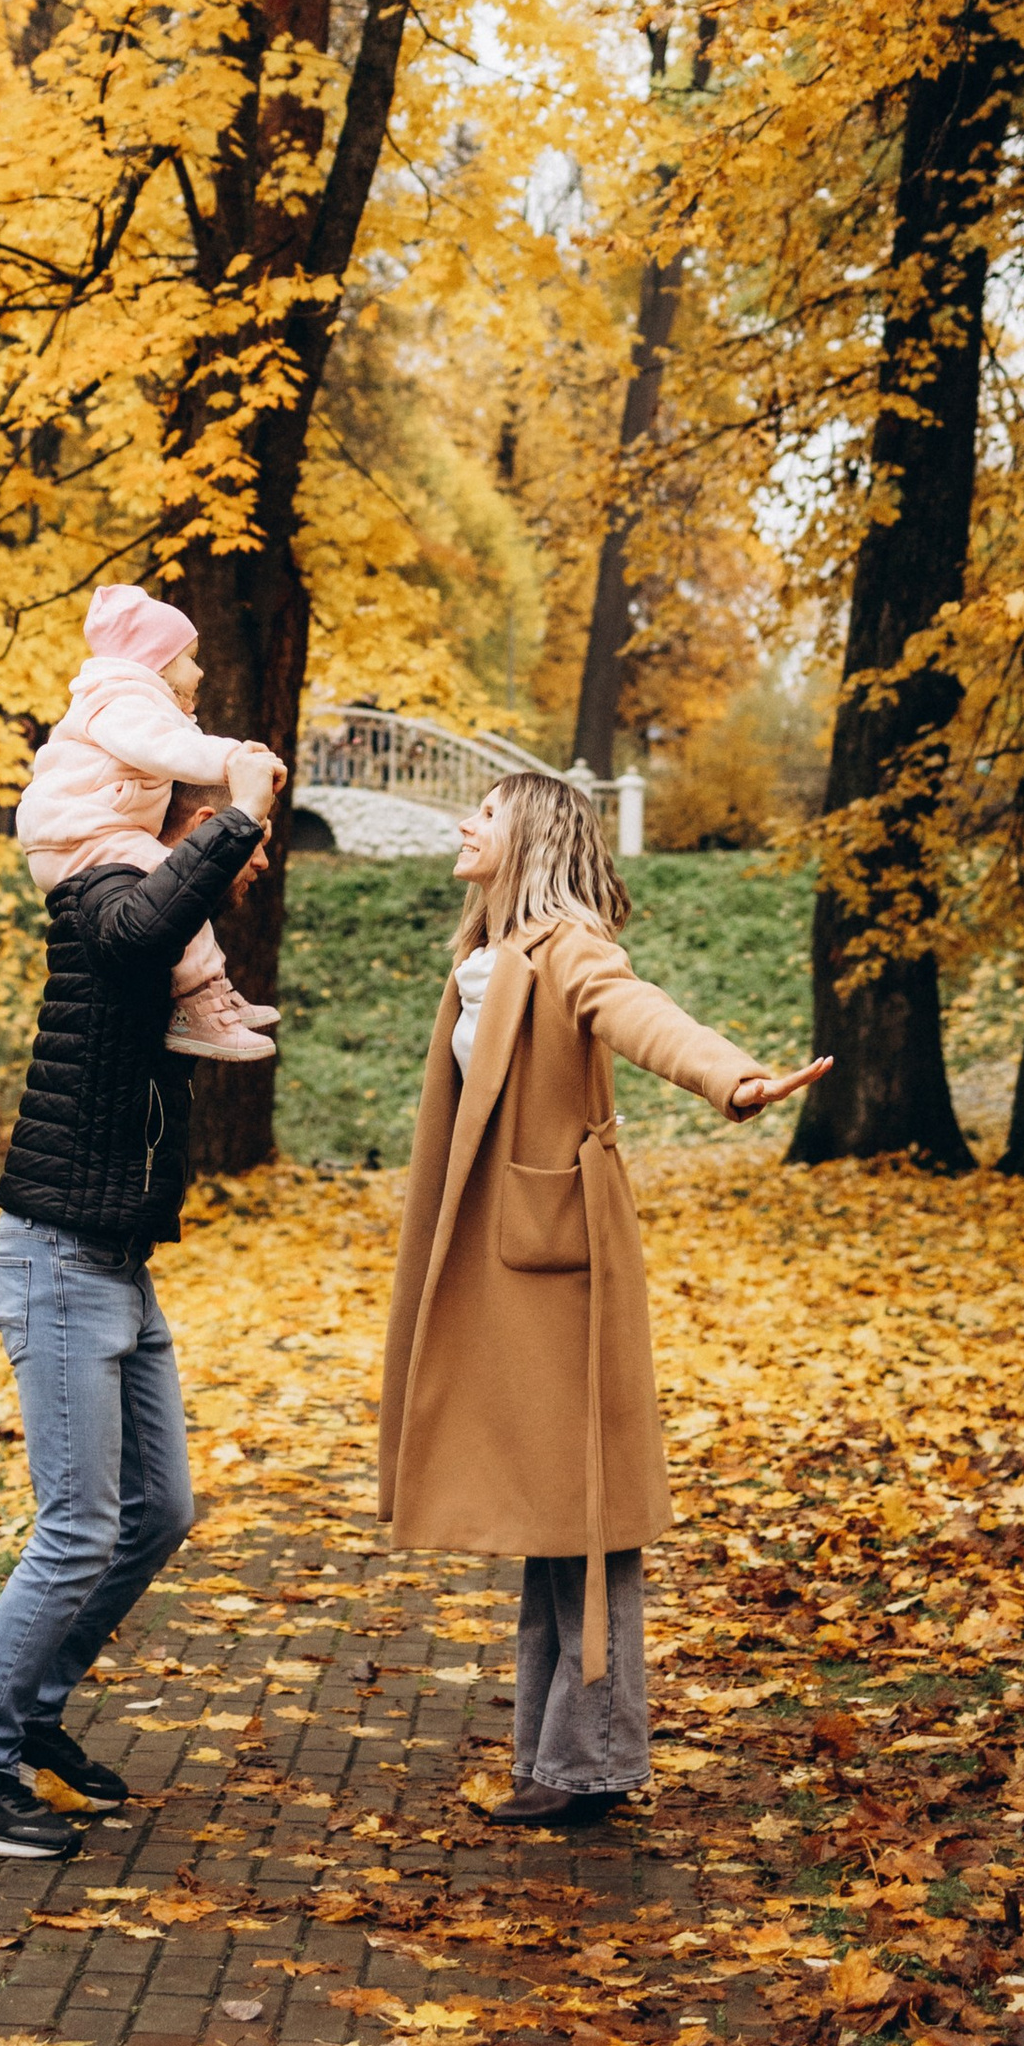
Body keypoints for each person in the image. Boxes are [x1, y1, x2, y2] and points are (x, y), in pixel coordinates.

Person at [378, 772, 828, 1830]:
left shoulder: (567, 946)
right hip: (495, 1258)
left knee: (585, 1516)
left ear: (526, 835)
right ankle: (560, 1758)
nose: (463, 824)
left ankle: (589, 1762)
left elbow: (638, 1014)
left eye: (482, 814)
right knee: (551, 1519)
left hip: (555, 1264)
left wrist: (736, 1080)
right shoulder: (483, 957)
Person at [0, 735, 286, 1860]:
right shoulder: (97, 894)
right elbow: (141, 926)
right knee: (77, 1527)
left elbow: (170, 934)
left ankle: (30, 1719)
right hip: (59, 1257)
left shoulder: (161, 925)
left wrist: (217, 849)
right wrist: (236, 818)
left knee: (159, 1513)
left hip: (115, 1261)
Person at [16, 585, 281, 1060]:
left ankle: (211, 994)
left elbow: (184, 741)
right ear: (155, 661)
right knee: (175, 887)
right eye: (191, 657)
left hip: (94, 831)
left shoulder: (150, 708)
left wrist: (242, 754)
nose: (200, 670)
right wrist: (230, 760)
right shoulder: (118, 701)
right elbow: (166, 749)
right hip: (78, 833)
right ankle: (200, 1002)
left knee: (175, 884)